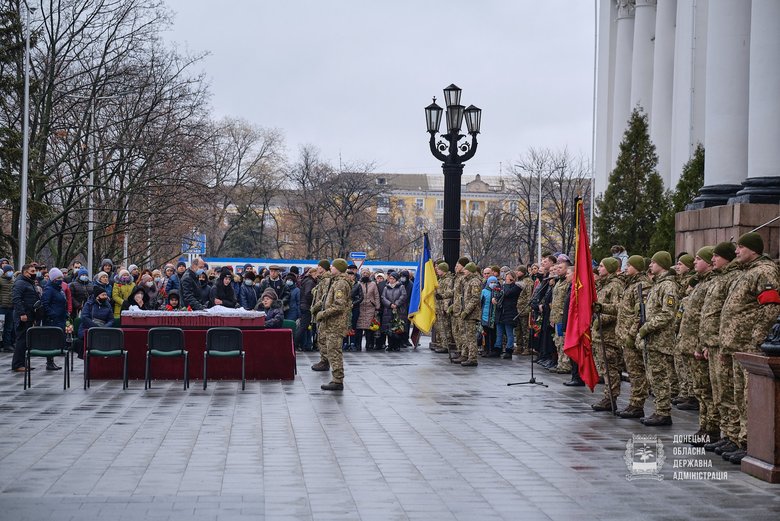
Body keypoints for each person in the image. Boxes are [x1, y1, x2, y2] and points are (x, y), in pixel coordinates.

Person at [718, 232, 780, 463]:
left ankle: (750, 443)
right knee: (737, 395)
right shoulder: (746, 272)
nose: (736, 252)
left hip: (749, 346)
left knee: (748, 397)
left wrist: (756, 337)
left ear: (753, 250)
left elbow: (771, 307)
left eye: (741, 247)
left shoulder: (764, 271)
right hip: (736, 345)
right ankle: (738, 438)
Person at [700, 242, 739, 454]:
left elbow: (727, 314)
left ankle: (733, 436)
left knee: (729, 392)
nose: (712, 259)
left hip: (725, 343)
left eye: (716, 256)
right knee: (719, 392)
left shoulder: (731, 278)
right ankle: (727, 434)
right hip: (715, 343)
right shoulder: (719, 279)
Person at [676, 246, 718, 443]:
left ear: (710, 262)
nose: (694, 262)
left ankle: (712, 429)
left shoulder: (712, 284)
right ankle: (704, 428)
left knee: (707, 391)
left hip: (701, 345)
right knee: (700, 390)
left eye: (699, 259)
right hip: (692, 344)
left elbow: (708, 318)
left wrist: (703, 344)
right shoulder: (701, 284)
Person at [637, 251, 680, 426]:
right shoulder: (658, 284)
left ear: (662, 264)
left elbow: (668, 313)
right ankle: (659, 410)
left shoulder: (668, 286)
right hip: (652, 340)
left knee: (660, 377)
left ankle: (663, 412)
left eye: (653, 262)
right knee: (654, 377)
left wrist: (646, 328)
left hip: (660, 340)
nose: (650, 265)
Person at [614, 255, 651, 416]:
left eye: (629, 265)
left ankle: (637, 403)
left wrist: (632, 334)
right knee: (632, 371)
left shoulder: (641, 285)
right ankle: (634, 402)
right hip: (625, 335)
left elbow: (640, 314)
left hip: (632, 336)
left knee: (637, 372)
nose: (625, 268)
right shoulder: (631, 284)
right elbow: (624, 310)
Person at [591, 257, 625, 412]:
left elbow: (618, 309)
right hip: (600, 334)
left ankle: (611, 397)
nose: (599, 268)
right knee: (605, 368)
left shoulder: (615, 286)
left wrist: (598, 321)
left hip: (609, 335)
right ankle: (607, 396)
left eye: (603, 266)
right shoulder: (603, 285)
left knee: (610, 368)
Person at [315, 259, 352, 391]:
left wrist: (323, 314)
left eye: (333, 266)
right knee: (331, 350)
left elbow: (339, 306)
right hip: (331, 323)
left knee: (334, 351)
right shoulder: (336, 281)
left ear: (339, 268)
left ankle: (337, 380)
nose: (331, 268)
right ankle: (336, 379)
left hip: (335, 324)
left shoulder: (341, 283)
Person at [11, 264, 40, 372]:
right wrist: (22, 313)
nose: (34, 273)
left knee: (25, 340)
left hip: (30, 315)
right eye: (32, 271)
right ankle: (18, 364)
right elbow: (16, 299)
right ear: (25, 272)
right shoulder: (20, 283)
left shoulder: (29, 283)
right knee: (21, 340)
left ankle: (22, 363)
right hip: (23, 316)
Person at [41, 267, 70, 370]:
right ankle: (49, 362)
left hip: (60, 318)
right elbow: (45, 304)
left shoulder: (59, 289)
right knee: (50, 341)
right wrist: (53, 314)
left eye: (61, 277)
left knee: (55, 341)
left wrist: (66, 313)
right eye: (58, 277)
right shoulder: (49, 289)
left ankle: (52, 362)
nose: (60, 279)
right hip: (52, 320)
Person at [76, 286, 114, 357]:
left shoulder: (107, 305)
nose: (105, 296)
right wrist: (96, 327)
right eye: (103, 295)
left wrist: (105, 327)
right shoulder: (89, 304)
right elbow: (84, 317)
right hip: (89, 328)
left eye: (106, 295)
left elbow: (111, 319)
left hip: (103, 329)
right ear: (97, 296)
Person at [457, 262, 483, 367]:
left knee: (471, 337)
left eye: (466, 270)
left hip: (472, 314)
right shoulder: (468, 281)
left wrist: (466, 311)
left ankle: (472, 358)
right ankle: (466, 355)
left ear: (471, 271)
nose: (464, 271)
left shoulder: (474, 282)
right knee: (467, 336)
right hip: (467, 312)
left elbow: (475, 298)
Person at [311, 260, 334, 370]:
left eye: (319, 266)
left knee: (322, 337)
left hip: (322, 312)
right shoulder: (322, 279)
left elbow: (324, 297)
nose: (317, 268)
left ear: (323, 268)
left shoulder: (326, 280)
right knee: (320, 336)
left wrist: (314, 308)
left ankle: (325, 361)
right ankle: (323, 359)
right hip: (319, 311)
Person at [496, 271, 520, 360]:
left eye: (508, 278)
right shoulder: (502, 286)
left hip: (510, 312)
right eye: (505, 278)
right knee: (499, 333)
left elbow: (507, 293)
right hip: (501, 312)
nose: (506, 280)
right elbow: (499, 294)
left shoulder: (516, 287)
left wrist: (507, 285)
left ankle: (509, 349)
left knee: (509, 333)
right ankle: (497, 348)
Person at [450, 257, 470, 363]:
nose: (456, 267)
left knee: (463, 333)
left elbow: (465, 295)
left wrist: (464, 309)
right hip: (456, 308)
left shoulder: (464, 278)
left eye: (458, 265)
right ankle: (460, 350)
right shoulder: (457, 277)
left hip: (462, 309)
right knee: (456, 332)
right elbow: (454, 293)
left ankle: (464, 353)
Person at [381, 272, 407, 351]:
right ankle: (390, 345)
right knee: (389, 328)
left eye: (393, 279)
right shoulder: (386, 287)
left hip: (398, 310)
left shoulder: (401, 287)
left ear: (396, 279)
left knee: (397, 327)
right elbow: (383, 297)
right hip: (388, 310)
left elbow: (403, 296)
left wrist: (396, 304)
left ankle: (397, 345)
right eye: (390, 278)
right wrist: (389, 304)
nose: (391, 280)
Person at [355, 269, 380, 351]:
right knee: (359, 328)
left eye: (366, 273)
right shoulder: (358, 284)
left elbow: (376, 296)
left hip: (370, 308)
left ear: (369, 274)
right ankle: (358, 345)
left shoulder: (373, 284)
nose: (365, 274)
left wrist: (377, 307)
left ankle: (369, 344)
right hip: (360, 307)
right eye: (363, 273)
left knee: (369, 328)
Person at [433, 262, 454, 355]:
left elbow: (448, 294)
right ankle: (440, 343)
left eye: (439, 269)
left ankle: (446, 345)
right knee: (439, 327)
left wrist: (445, 307)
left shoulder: (448, 280)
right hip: (438, 306)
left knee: (444, 327)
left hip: (443, 306)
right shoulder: (441, 279)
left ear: (444, 270)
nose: (437, 270)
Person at [514, 266, 533, 356]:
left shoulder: (528, 281)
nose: (517, 272)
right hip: (517, 308)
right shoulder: (518, 281)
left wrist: (528, 308)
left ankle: (527, 347)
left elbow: (529, 295)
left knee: (525, 329)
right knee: (518, 329)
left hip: (524, 309)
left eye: (519, 271)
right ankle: (519, 346)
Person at [296, 267, 317, 351]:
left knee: (304, 327)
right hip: (307, 306)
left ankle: (299, 344)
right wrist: (314, 302)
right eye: (317, 274)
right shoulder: (310, 282)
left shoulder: (306, 280)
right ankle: (295, 343)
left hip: (303, 306)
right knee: (303, 327)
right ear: (313, 273)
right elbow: (308, 294)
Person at [480, 275, 501, 357]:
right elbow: (480, 303)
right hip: (485, 317)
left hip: (494, 317)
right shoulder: (484, 291)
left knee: (493, 334)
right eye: (491, 282)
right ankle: (485, 350)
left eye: (494, 282)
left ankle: (493, 350)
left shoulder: (498, 291)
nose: (493, 284)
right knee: (485, 334)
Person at [0, 264, 15, 353]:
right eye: (8, 271)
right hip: (2, 307)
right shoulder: (0, 280)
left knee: (9, 327)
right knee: (1, 327)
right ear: (4, 272)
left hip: (11, 307)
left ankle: (7, 345)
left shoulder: (13, 280)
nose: (10, 272)